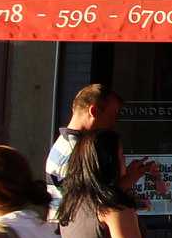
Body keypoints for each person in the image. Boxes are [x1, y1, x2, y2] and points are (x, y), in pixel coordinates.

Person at [45, 83, 124, 217]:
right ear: (93, 112)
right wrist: (128, 180)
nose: (114, 123)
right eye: (112, 116)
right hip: (67, 231)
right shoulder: (77, 151)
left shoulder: (65, 144)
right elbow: (94, 202)